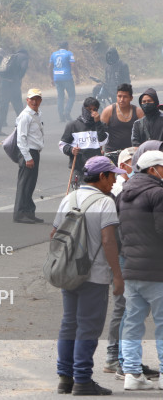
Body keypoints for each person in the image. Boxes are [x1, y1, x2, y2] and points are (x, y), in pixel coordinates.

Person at [52, 156, 124, 396]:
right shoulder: (105, 202)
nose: (114, 181)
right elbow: (108, 240)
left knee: (69, 324)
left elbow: (54, 234)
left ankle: (65, 379)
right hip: (95, 276)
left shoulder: (69, 198)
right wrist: (117, 275)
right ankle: (82, 380)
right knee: (88, 328)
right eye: (112, 176)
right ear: (102, 176)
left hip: (69, 273)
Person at [116, 150, 163, 391]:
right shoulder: (158, 194)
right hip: (156, 270)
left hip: (132, 268)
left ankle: (132, 374)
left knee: (133, 323)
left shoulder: (123, 194)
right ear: (153, 169)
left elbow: (119, 232)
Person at [59, 97, 108, 190]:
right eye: (89, 109)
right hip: (79, 168)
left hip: (96, 168)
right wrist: (71, 150)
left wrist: (98, 123)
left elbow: (103, 141)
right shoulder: (72, 126)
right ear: (83, 108)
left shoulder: (101, 125)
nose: (92, 112)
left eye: (94, 109)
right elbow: (62, 144)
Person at [14, 88, 45, 223]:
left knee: (30, 185)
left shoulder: (37, 114)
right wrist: (28, 157)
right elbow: (21, 139)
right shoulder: (25, 116)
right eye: (32, 99)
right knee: (24, 184)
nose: (34, 102)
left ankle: (29, 212)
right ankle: (20, 214)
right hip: (28, 153)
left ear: (40, 100)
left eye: (37, 99)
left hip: (34, 152)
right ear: (27, 100)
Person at [0, 48, 28, 136]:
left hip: (4, 84)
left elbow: (0, 71)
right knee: (18, 106)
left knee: (3, 106)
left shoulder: (10, 57)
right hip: (13, 84)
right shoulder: (24, 57)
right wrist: (19, 78)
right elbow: (23, 68)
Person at [101, 84, 143, 157]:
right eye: (119, 96)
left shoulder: (138, 112)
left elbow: (144, 133)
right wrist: (100, 149)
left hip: (132, 153)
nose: (121, 100)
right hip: (112, 153)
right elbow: (100, 132)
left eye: (125, 97)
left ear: (131, 98)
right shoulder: (108, 111)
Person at [50, 43, 77, 122]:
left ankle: (61, 116)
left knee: (60, 97)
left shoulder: (53, 54)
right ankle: (67, 112)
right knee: (72, 96)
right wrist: (77, 77)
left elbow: (50, 67)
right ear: (67, 46)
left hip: (57, 78)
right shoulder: (69, 53)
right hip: (67, 77)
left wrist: (52, 79)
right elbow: (73, 65)